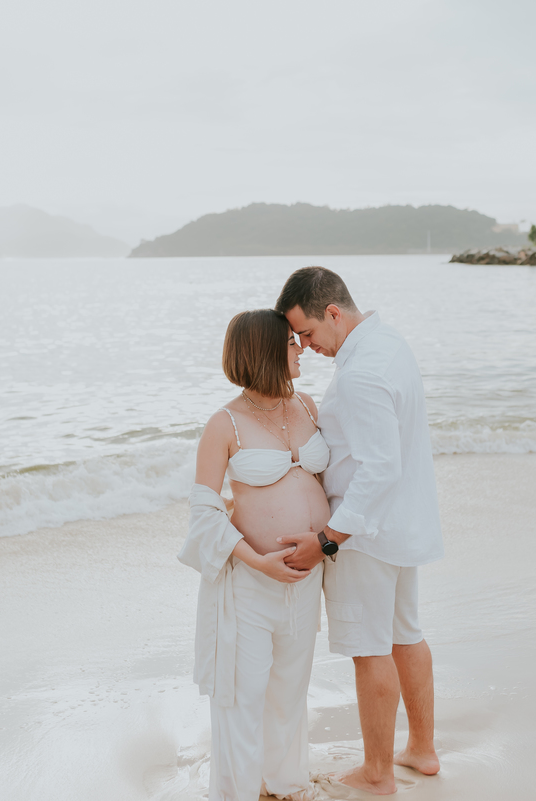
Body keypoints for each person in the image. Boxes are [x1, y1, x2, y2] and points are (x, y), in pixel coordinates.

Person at [275, 267, 444, 795]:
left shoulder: (361, 373)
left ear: (332, 313)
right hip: (399, 527)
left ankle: (377, 772)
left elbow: (378, 469)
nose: (305, 345)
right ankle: (421, 749)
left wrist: (328, 539)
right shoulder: (388, 344)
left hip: (365, 537)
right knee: (405, 635)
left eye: (306, 333)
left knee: (371, 650)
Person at [178, 309, 330, 801]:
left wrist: (327, 540)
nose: (300, 348)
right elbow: (203, 512)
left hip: (306, 580)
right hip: (251, 584)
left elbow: (326, 481)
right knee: (242, 699)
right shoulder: (225, 423)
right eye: (290, 342)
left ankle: (285, 786)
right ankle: (238, 794)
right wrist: (257, 560)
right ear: (263, 351)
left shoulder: (306, 405)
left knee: (289, 690)